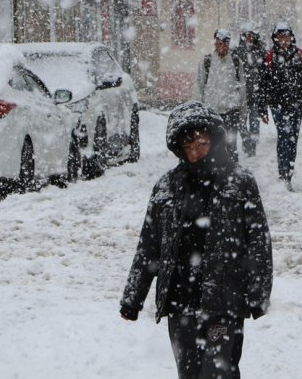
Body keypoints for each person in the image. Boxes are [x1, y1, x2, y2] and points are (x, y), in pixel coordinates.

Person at [120, 101, 273, 379]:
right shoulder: (166, 186)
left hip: (224, 300)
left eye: (200, 144)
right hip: (180, 301)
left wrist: (258, 294)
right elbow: (149, 245)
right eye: (187, 148)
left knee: (218, 372)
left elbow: (258, 243)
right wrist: (133, 297)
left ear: (214, 138)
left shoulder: (239, 182)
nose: (195, 153)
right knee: (189, 374)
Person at [258, 23, 302, 191]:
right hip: (277, 104)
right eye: (281, 37)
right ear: (276, 39)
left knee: (292, 138)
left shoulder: (301, 55)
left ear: (291, 37)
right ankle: (282, 172)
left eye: (286, 37)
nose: (284, 41)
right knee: (283, 136)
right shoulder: (269, 57)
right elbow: (261, 84)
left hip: (297, 103)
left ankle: (289, 173)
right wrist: (262, 108)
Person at [193, 29, 246, 160]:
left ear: (229, 44)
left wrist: (243, 112)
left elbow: (242, 89)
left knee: (231, 148)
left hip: (231, 112)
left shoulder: (235, 62)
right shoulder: (207, 62)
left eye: (225, 43)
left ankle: (232, 176)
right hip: (212, 113)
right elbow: (199, 87)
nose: (222, 46)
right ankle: (214, 177)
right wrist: (197, 111)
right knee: (212, 149)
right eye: (219, 42)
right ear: (215, 43)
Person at [233, 23, 266, 156]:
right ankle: (247, 140)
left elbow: (265, 71)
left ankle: (253, 144)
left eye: (251, 35)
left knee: (254, 121)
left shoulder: (260, 51)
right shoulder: (237, 52)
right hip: (241, 93)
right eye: (247, 35)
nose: (249, 38)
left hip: (256, 93)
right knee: (241, 121)